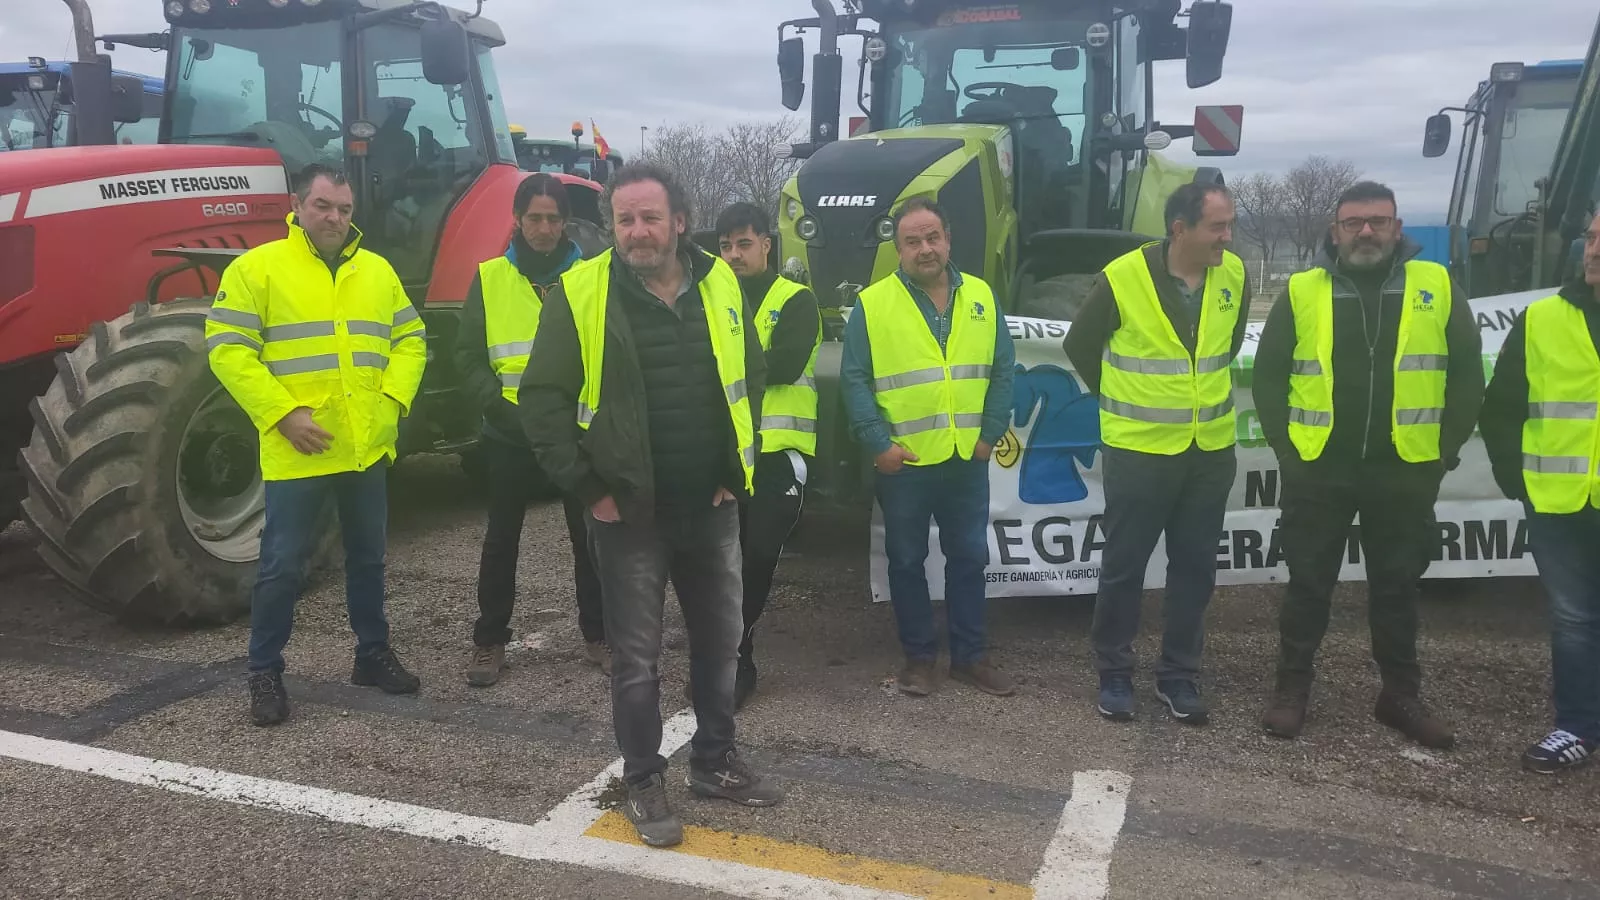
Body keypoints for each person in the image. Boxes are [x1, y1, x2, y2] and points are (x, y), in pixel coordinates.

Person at [519, 164, 781, 848]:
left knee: (721, 645)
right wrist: (590, 490)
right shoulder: (581, 292)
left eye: (650, 218)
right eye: (625, 220)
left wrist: (732, 470)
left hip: (711, 504)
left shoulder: (721, 282)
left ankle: (715, 762)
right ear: (613, 226)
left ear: (679, 222)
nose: (637, 232)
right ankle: (643, 779)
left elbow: (747, 374)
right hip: (628, 514)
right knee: (636, 661)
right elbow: (542, 401)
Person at [1252, 181, 1483, 748]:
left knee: (1397, 587)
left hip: (1403, 470)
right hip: (1320, 468)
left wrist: (1442, 454)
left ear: (1397, 228)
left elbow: (1468, 376)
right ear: (1335, 231)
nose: (1366, 232)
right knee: (1308, 584)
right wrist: (1289, 455)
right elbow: (1268, 376)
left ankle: (1400, 696)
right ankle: (1292, 690)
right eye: (1354, 222)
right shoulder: (1304, 290)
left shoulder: (1436, 284)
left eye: (1378, 222)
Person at [206, 164, 428, 727]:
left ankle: (371, 654)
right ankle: (264, 670)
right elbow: (228, 348)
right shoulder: (258, 268)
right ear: (297, 205)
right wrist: (282, 415)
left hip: (364, 446)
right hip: (297, 448)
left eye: (344, 209)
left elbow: (411, 339)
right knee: (282, 564)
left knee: (368, 558)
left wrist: (393, 404)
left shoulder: (377, 272)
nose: (334, 218)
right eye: (323, 206)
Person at [1062, 182, 1251, 726]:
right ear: (1180, 229)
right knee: (1125, 567)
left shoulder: (1233, 275)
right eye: (1217, 227)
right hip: (1139, 451)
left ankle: (1179, 677)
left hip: (1209, 451)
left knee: (1194, 570)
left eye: (1228, 225)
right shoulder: (1124, 277)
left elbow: (1230, 343)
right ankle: (1115, 674)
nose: (1227, 237)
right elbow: (1080, 345)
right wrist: (1122, 401)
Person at [841, 196, 1017, 698]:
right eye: (912, 241)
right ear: (898, 250)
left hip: (967, 458)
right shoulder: (873, 305)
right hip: (906, 462)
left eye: (932, 237)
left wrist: (989, 434)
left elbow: (1002, 369)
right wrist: (878, 444)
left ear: (948, 240)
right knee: (905, 561)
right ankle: (919, 659)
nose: (925, 248)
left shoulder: (981, 296)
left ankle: (969, 657)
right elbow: (855, 382)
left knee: (969, 558)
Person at [454, 173, 607, 687]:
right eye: (535, 217)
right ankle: (489, 641)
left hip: (572, 432)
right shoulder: (491, 277)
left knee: (588, 539)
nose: (544, 228)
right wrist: (496, 407)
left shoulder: (591, 278)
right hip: (509, 433)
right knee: (501, 540)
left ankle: (599, 634)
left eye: (553, 218)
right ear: (517, 219)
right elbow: (467, 355)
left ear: (566, 222)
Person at [1480, 210, 1600, 773]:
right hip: (1557, 501)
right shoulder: (1542, 319)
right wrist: (1517, 481)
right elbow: (1502, 407)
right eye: (1594, 237)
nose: (1595, 249)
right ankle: (1576, 727)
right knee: (1574, 619)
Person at [713, 201, 822, 708]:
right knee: (717, 557)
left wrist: (722, 362)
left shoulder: (795, 300)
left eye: (744, 244)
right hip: (725, 449)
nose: (734, 255)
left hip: (779, 451)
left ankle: (738, 650)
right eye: (726, 246)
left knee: (757, 553)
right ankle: (728, 650)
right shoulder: (711, 299)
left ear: (766, 245)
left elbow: (784, 364)